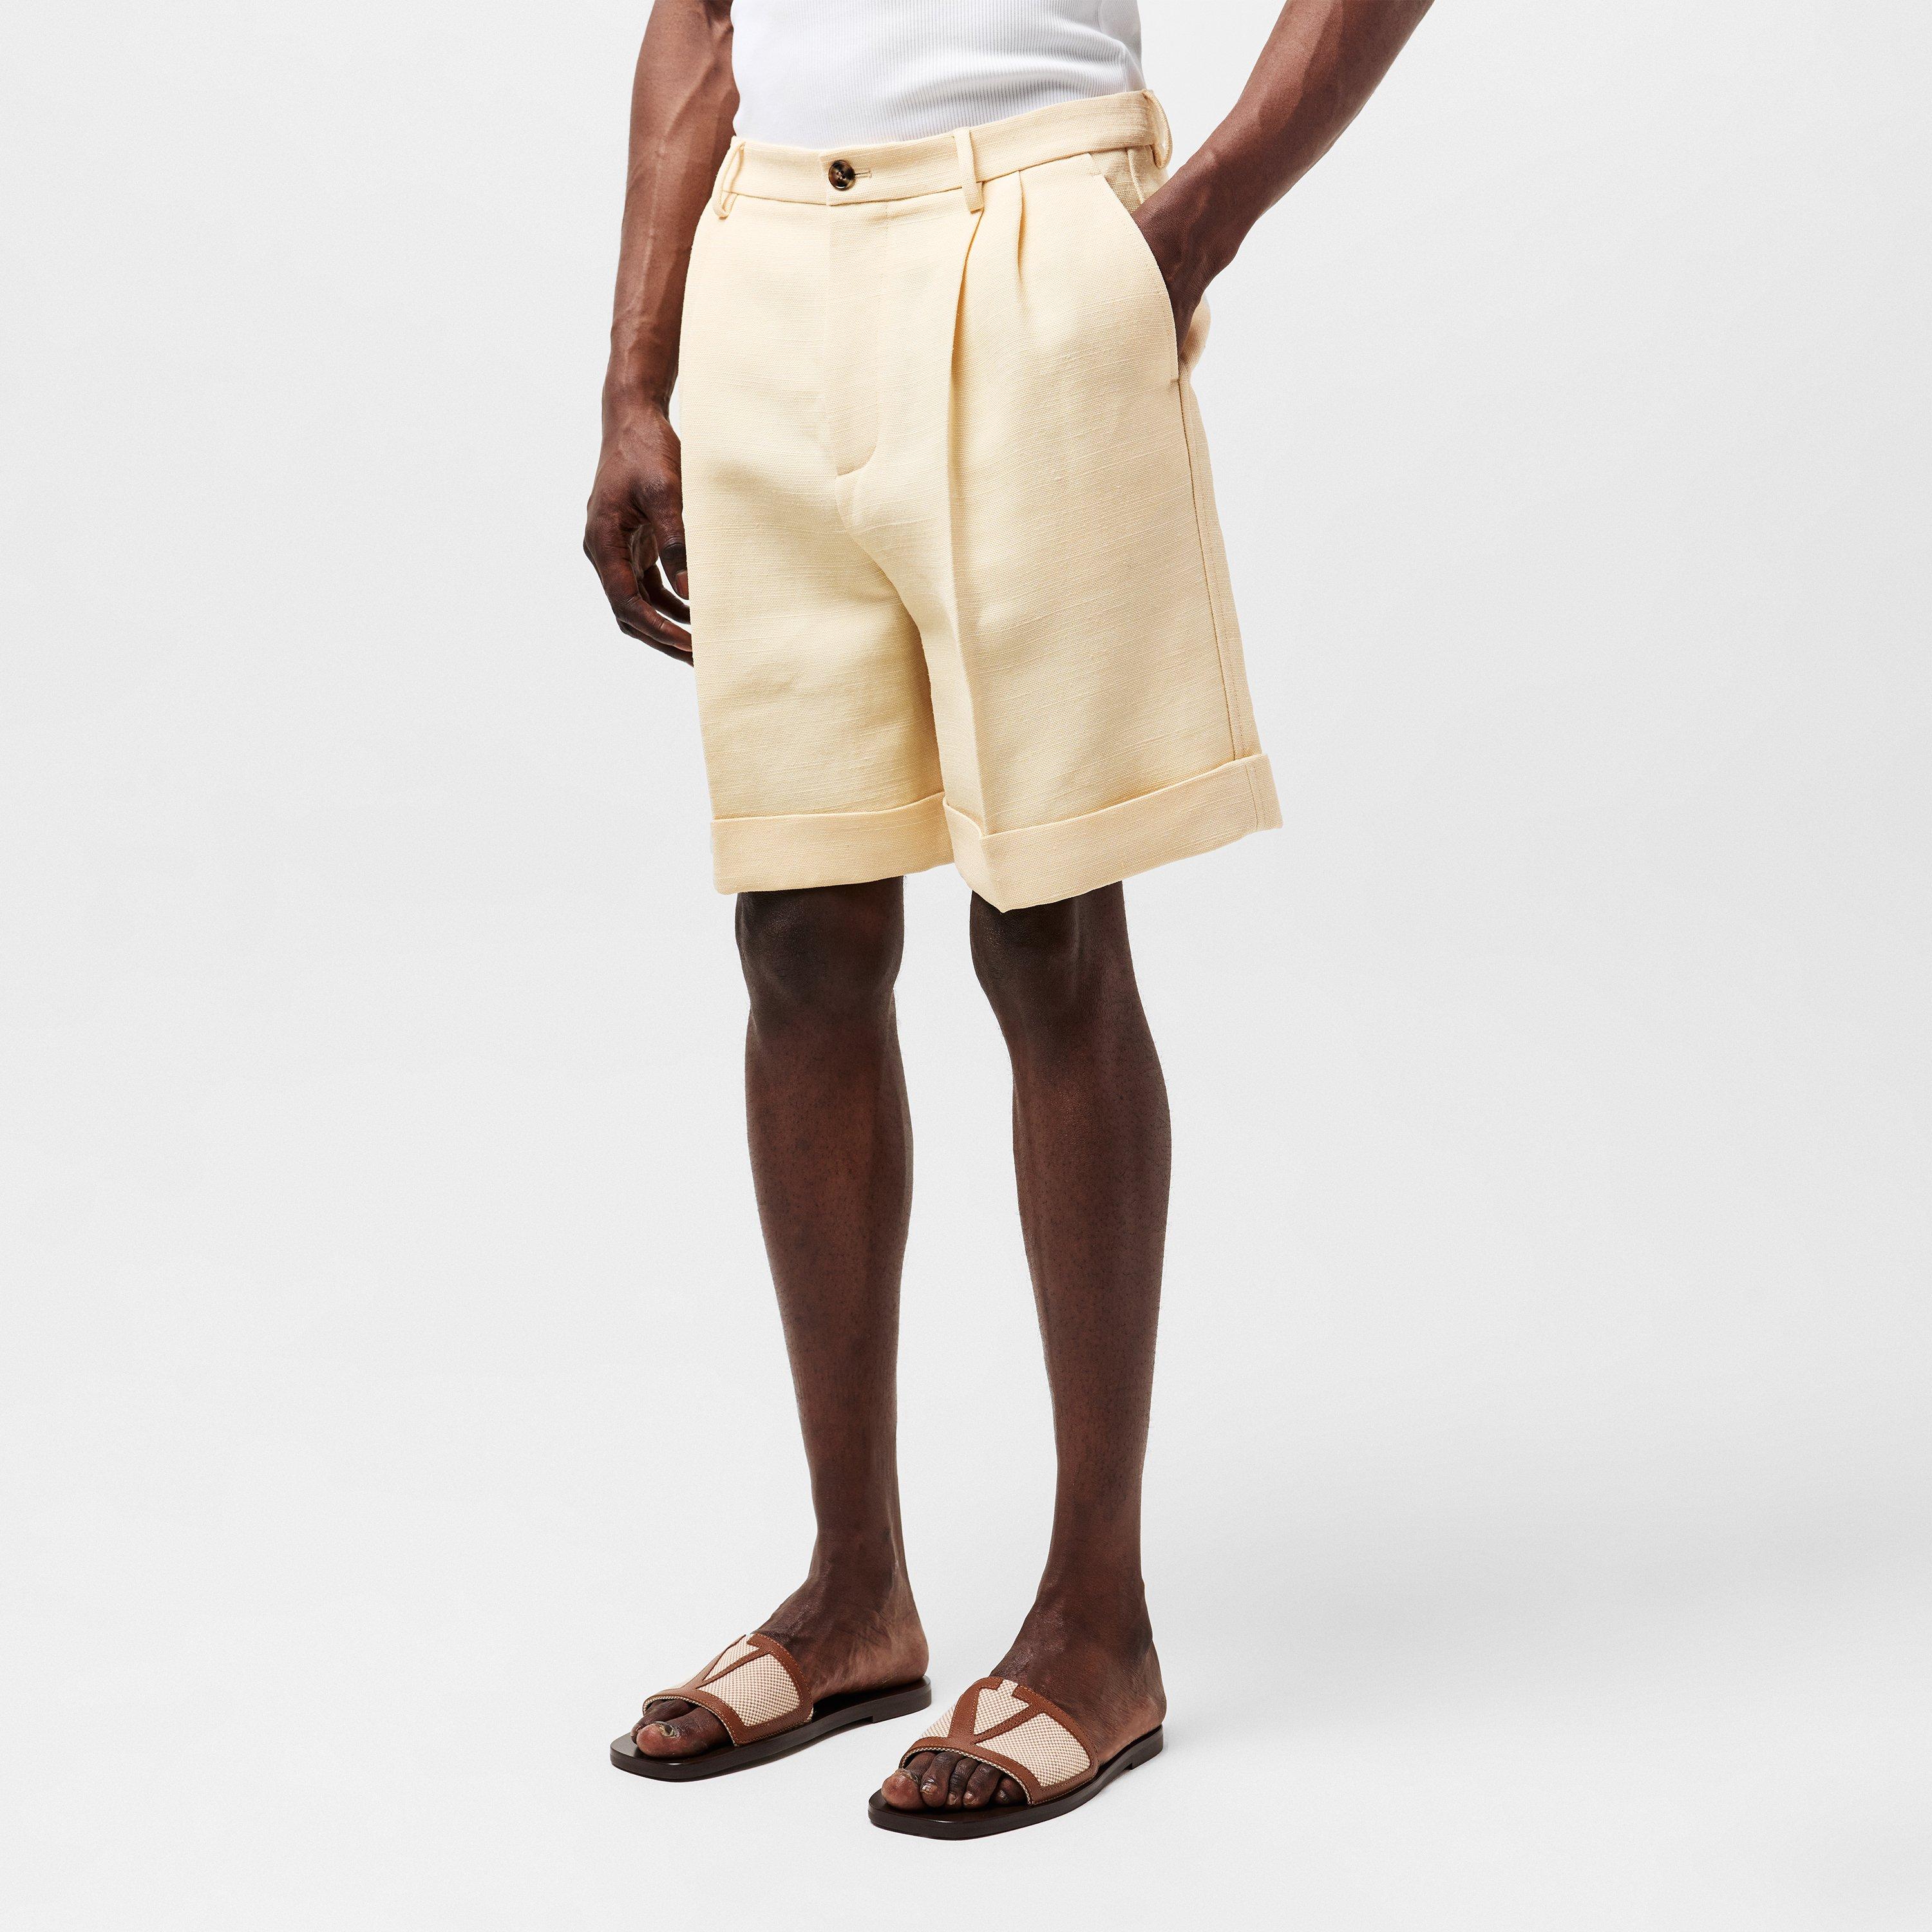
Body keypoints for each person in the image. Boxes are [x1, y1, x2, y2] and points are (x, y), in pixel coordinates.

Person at [587, 0, 1434, 1837]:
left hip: (1033, 237)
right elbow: (699, 16)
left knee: (1046, 929)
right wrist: (634, 372)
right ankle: (853, 1595)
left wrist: (1196, 223)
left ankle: (1098, 1625)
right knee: (797, 936)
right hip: (766, 262)